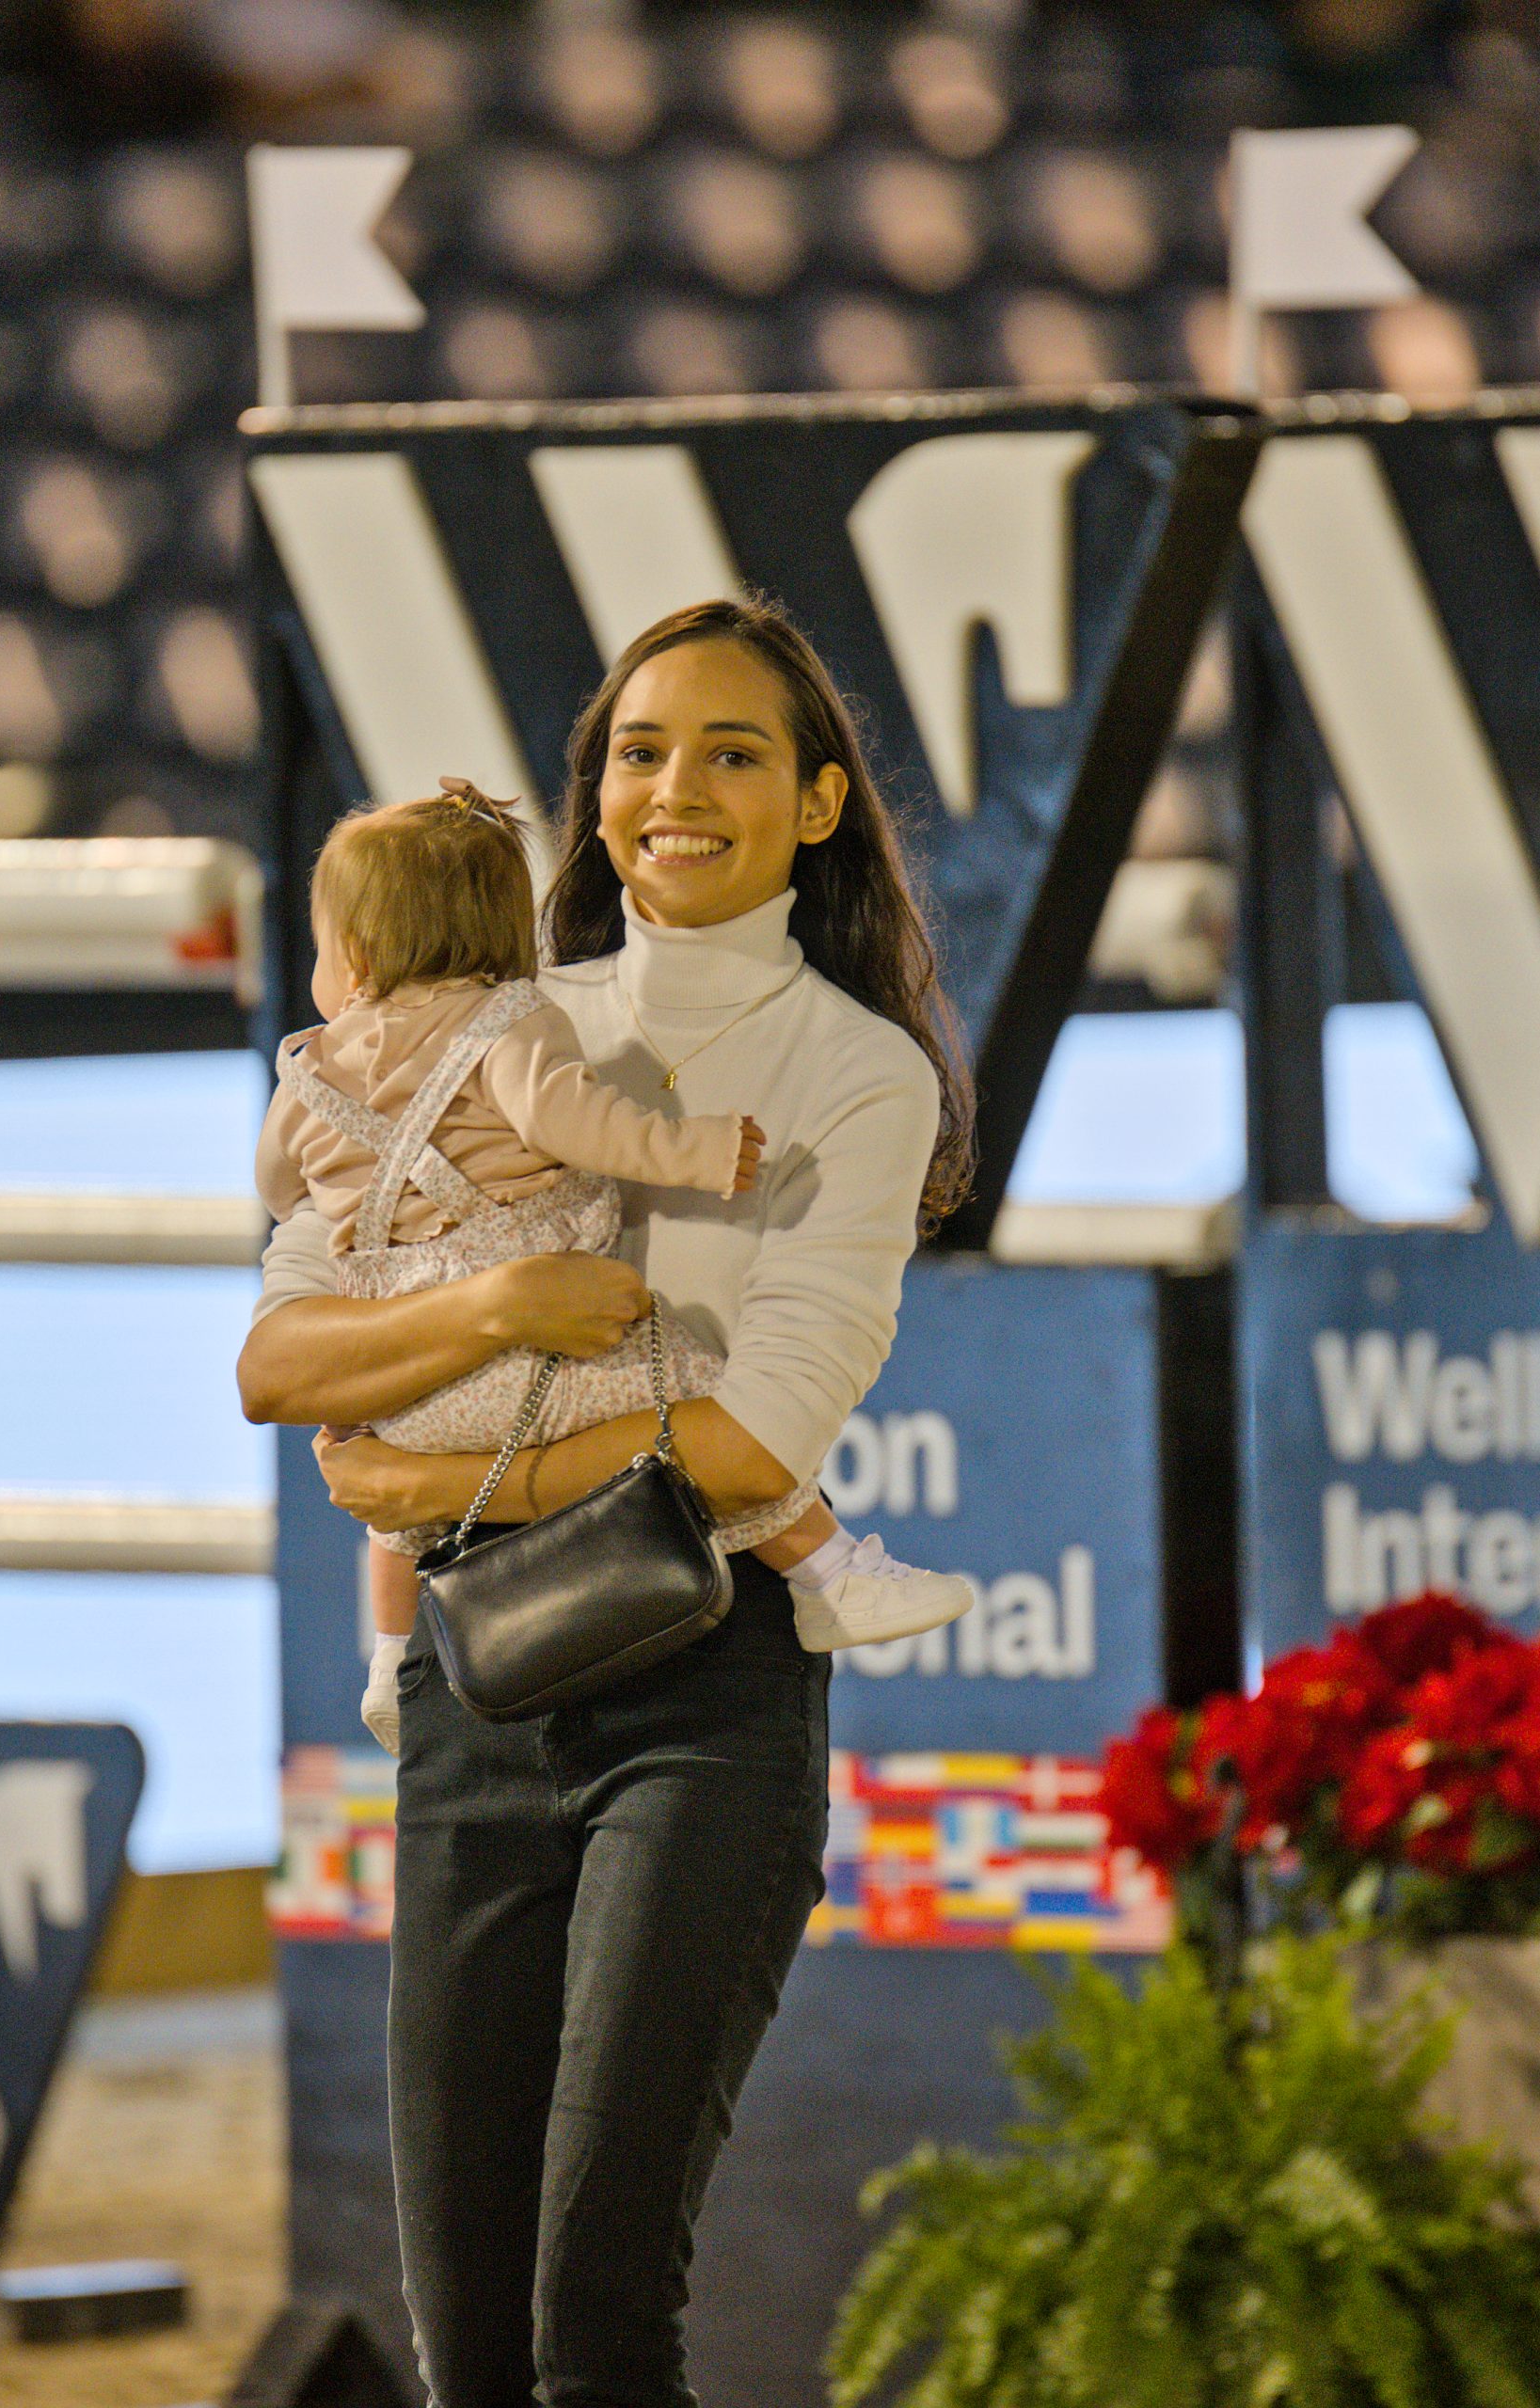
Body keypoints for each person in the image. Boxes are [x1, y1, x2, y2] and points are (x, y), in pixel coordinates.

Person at [235, 595, 976, 2408]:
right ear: (590, 798)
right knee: (469, 2344)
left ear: (817, 806)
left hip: (702, 1698)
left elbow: (749, 1445)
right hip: (466, 1697)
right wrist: (490, 1311)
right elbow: (280, 1360)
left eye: (732, 752)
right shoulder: (471, 1023)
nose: (675, 788)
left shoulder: (857, 1074)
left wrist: (431, 1470)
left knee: (590, 2315)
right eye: (640, 751)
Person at [253, 774, 973, 1751]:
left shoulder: (307, 1076)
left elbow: (279, 1185)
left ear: (360, 952)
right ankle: (831, 1573)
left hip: (412, 1388)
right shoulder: (508, 1024)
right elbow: (581, 1124)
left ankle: (388, 1657)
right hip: (545, 1362)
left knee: (388, 1498)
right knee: (687, 1393)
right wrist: (699, 1151)